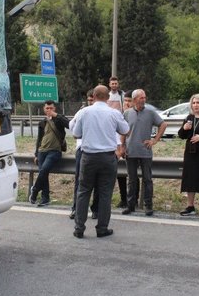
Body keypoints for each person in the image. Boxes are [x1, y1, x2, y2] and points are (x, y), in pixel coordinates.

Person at [71, 85, 129, 238]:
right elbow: (125, 130)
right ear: (108, 97)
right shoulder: (114, 113)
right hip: (108, 158)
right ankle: (102, 228)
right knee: (105, 193)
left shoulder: (84, 112)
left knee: (83, 192)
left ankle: (79, 228)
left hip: (88, 157)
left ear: (94, 96)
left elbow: (76, 134)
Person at [121, 89, 167, 216]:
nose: (144, 100)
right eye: (141, 98)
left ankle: (148, 205)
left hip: (145, 151)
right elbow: (123, 131)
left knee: (147, 179)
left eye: (145, 97)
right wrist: (122, 146)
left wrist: (155, 140)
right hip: (131, 151)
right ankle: (130, 205)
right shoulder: (127, 113)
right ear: (135, 99)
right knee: (131, 180)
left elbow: (163, 124)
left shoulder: (150, 113)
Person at [30, 100, 70, 207]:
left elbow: (69, 124)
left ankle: (34, 191)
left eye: (51, 108)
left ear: (54, 108)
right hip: (42, 151)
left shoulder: (59, 119)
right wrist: (36, 154)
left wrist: (56, 115)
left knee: (44, 170)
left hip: (55, 151)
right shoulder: (42, 122)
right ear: (44, 109)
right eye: (47, 108)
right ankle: (45, 198)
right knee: (44, 174)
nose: (49, 110)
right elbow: (39, 139)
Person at [69, 89, 94, 219]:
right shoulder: (81, 112)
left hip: (96, 150)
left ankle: (95, 209)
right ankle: (75, 208)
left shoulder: (103, 112)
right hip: (82, 148)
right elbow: (71, 126)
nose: (90, 102)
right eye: (89, 100)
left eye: (92, 99)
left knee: (97, 182)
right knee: (79, 180)